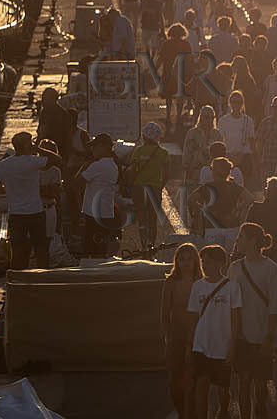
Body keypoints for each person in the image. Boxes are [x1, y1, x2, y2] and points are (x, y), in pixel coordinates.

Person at [229, 222, 277, 419]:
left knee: (260, 385)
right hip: (241, 336)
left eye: (241, 237)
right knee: (243, 383)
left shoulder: (271, 269)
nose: (237, 241)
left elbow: (275, 305)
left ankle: (260, 411)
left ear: (252, 241)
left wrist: (269, 336)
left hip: (263, 336)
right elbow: (230, 303)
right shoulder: (234, 268)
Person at [188, 244, 239, 419]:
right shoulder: (197, 286)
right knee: (201, 389)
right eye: (202, 262)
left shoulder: (232, 287)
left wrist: (232, 347)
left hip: (222, 346)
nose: (204, 265)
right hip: (201, 346)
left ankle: (223, 411)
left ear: (220, 263)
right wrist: (190, 345)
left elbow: (236, 319)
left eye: (208, 262)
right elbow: (193, 318)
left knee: (222, 391)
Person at [0, 132, 50, 269]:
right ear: (26, 145)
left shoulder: (3, 165)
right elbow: (57, 159)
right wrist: (39, 149)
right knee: (41, 249)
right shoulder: (33, 162)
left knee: (17, 249)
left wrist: (12, 190)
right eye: (30, 143)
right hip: (36, 212)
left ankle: (17, 275)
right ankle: (43, 275)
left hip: (16, 213)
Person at [162, 243, 201, 419]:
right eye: (182, 259)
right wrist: (167, 336)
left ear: (196, 261)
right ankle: (182, 412)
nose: (186, 263)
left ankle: (192, 413)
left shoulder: (202, 282)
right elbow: (164, 313)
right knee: (175, 381)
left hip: (197, 336)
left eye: (189, 259)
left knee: (194, 380)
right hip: (176, 336)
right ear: (176, 261)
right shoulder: (171, 282)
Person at [129, 122, 170, 250]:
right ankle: (151, 244)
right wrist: (160, 186)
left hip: (139, 187)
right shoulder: (163, 153)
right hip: (155, 188)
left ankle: (143, 244)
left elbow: (132, 170)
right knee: (152, 219)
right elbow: (167, 174)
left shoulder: (138, 151)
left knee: (142, 218)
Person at [80, 134, 120, 257]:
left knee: (92, 250)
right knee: (100, 251)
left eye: (94, 146)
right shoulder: (112, 165)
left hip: (95, 215)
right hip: (105, 212)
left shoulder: (98, 165)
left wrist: (85, 165)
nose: (92, 150)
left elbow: (76, 182)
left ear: (103, 147)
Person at [218, 90, 257, 183]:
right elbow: (220, 141)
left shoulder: (248, 121)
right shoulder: (223, 121)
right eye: (233, 102)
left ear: (242, 103)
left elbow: (252, 142)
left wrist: (255, 163)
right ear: (229, 103)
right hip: (228, 157)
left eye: (238, 102)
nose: (236, 104)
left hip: (244, 158)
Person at [184, 106, 222, 183]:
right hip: (195, 170)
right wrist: (188, 169)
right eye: (207, 117)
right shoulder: (192, 133)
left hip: (213, 173)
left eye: (212, 117)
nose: (210, 120)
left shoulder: (217, 134)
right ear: (201, 117)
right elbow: (186, 153)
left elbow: (221, 153)